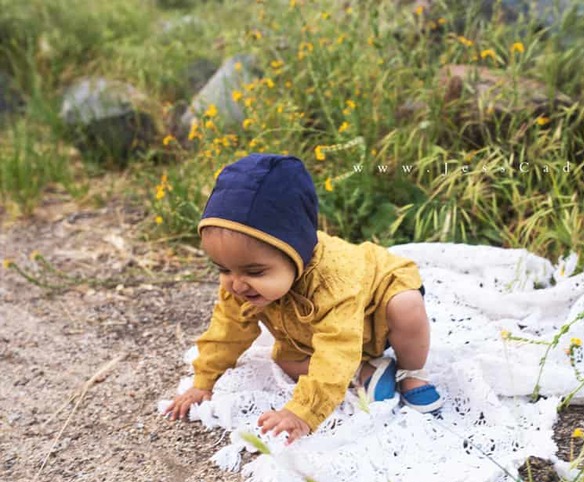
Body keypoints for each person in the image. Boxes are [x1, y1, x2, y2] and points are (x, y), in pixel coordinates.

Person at [165, 153, 443, 443]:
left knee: (406, 305)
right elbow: (227, 330)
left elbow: (336, 346)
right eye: (223, 268)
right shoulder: (241, 282)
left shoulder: (333, 280)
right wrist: (203, 381)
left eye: (255, 271)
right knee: (286, 361)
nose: (236, 283)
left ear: (297, 253)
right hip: (320, 332)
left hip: (375, 314)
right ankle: (365, 370)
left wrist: (304, 411)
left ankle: (411, 373)